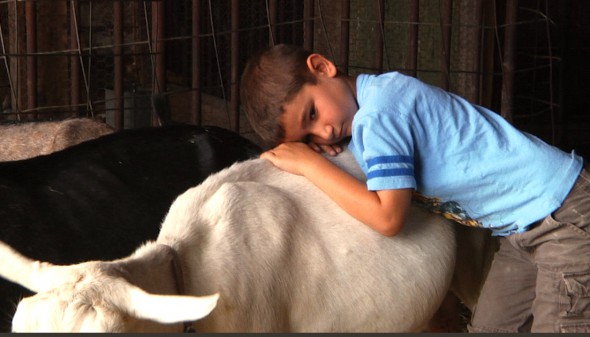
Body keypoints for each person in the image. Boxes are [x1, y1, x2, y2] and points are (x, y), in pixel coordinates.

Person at [240, 43, 590, 333]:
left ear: (321, 66)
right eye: (309, 138)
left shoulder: (380, 114)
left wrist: (308, 163)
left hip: (563, 217)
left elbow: (388, 217)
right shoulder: (374, 105)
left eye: (313, 114)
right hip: (525, 231)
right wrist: (332, 149)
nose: (325, 134)